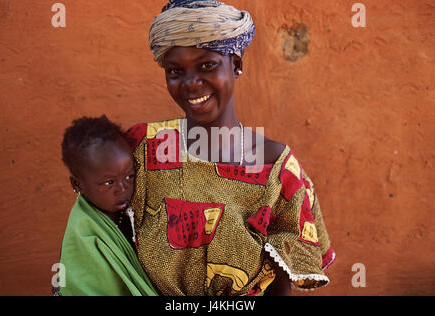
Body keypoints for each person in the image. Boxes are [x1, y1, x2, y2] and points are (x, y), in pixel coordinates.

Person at [124, 0, 335, 296]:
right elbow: (100, 239)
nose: (191, 83)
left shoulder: (276, 168)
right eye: (175, 71)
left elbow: (279, 285)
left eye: (207, 65)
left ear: (236, 64)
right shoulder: (144, 149)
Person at [56, 115, 158, 296]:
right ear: (78, 185)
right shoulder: (84, 236)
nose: (122, 189)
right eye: (108, 183)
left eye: (129, 176)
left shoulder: (136, 208)